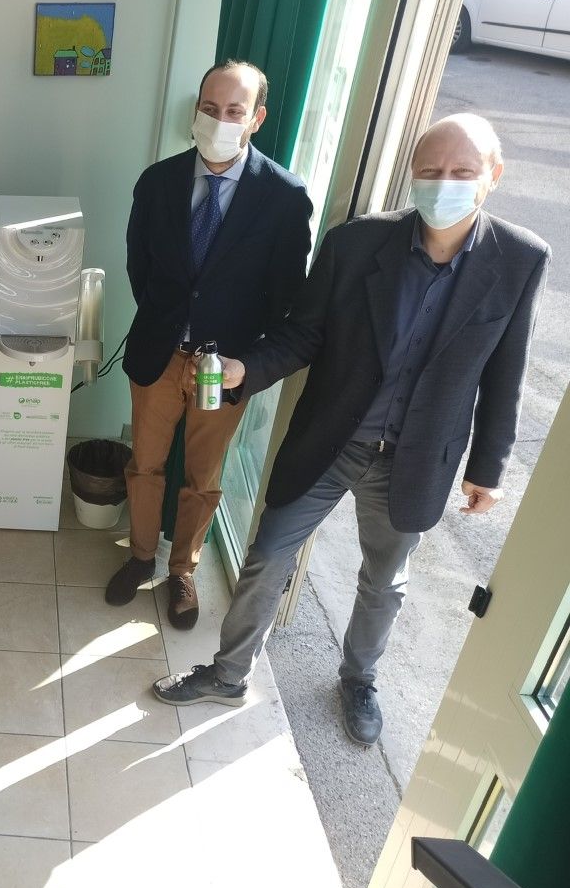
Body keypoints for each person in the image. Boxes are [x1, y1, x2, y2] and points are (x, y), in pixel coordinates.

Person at [152, 115, 550, 747]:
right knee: (268, 556)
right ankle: (229, 674)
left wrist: (487, 469)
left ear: (493, 176)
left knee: (384, 583)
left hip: (417, 457)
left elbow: (506, 371)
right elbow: (304, 334)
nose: (444, 183)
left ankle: (358, 680)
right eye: (431, 170)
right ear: (412, 174)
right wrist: (245, 368)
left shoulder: (520, 259)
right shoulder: (357, 243)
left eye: (462, 172)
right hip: (332, 440)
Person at [108, 60, 313, 629]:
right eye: (209, 108)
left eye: (234, 111)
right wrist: (169, 322)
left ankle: (182, 570)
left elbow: (286, 296)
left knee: (202, 476)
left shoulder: (284, 197)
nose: (219, 120)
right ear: (195, 109)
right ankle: (140, 556)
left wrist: (241, 355)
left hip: (224, 367)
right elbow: (139, 266)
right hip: (159, 353)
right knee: (145, 464)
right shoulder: (158, 182)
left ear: (256, 119)